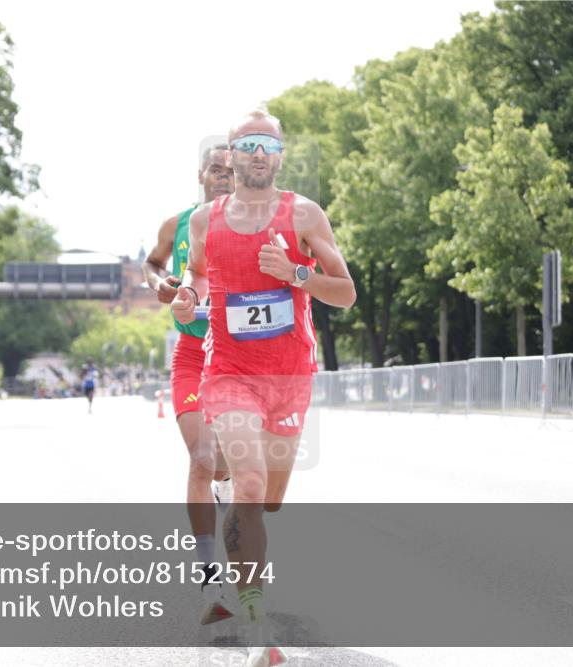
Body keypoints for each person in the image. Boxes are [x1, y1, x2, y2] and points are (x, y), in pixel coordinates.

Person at [172, 110, 356, 666]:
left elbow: (345, 293)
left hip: (290, 374)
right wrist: (188, 296)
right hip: (228, 371)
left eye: (267, 145)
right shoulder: (206, 221)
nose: (257, 154)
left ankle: (236, 507)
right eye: (247, 144)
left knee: (269, 501)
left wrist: (294, 274)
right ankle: (258, 629)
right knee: (249, 486)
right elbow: (197, 275)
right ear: (231, 153)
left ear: (279, 155)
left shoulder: (304, 214)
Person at [143, 142, 236, 625]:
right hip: (193, 354)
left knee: (223, 465)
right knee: (201, 458)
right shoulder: (177, 225)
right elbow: (153, 263)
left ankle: (225, 486)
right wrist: (157, 283)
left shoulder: (252, 225)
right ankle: (209, 579)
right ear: (200, 175)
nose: (223, 176)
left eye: (230, 170)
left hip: (241, 356)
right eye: (215, 169)